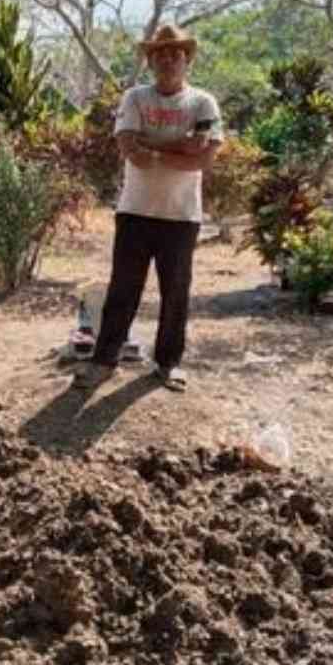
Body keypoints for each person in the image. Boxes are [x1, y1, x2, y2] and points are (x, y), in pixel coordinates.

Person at [74, 25, 222, 393]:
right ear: (151, 60)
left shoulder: (203, 103)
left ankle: (167, 364)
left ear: (186, 59)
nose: (169, 59)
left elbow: (202, 159)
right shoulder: (135, 98)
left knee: (175, 293)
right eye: (161, 53)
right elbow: (131, 152)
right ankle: (103, 362)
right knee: (123, 289)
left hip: (182, 215)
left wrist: (154, 146)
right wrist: (178, 146)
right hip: (135, 211)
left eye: (176, 53)